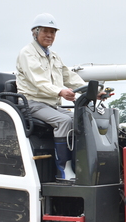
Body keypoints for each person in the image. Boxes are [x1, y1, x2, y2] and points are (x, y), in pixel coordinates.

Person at [16, 13, 86, 181]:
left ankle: (81, 167)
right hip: (32, 103)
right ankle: (63, 170)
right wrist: (60, 92)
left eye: (53, 32)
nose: (49, 35)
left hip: (51, 105)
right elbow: (38, 81)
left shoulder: (54, 56)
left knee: (81, 118)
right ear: (35, 32)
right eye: (45, 31)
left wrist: (93, 90)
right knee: (64, 121)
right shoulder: (27, 54)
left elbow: (69, 76)